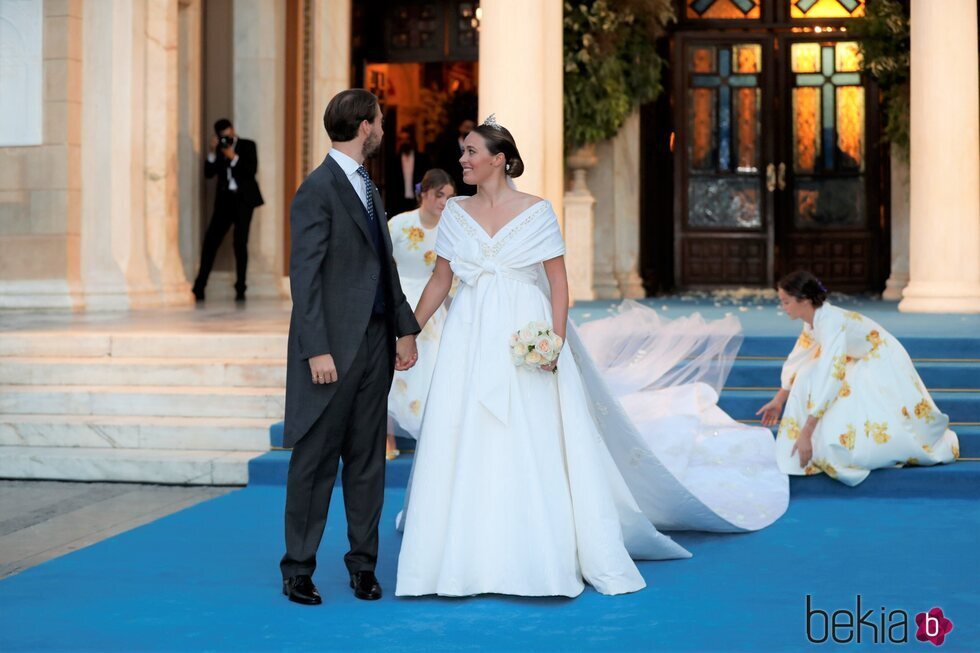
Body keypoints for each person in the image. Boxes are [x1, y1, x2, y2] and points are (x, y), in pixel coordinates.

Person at [395, 116, 788, 598]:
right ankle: (462, 558)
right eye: (463, 152)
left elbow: (559, 283)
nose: (463, 160)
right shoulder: (455, 212)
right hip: (468, 335)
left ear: (498, 159)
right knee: (466, 431)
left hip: (524, 330)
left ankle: (534, 556)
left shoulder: (537, 211)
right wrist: (407, 332)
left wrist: (554, 342)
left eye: (471, 152)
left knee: (529, 434)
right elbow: (440, 280)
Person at [280, 89, 420, 606]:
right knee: (315, 462)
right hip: (332, 350)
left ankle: (363, 566)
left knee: (368, 460)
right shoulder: (316, 189)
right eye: (380, 119)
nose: (383, 127)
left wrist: (405, 330)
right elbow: (306, 277)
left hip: (375, 344)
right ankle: (297, 569)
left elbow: (385, 269)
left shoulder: (369, 187)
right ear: (365, 126)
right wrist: (317, 349)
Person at [757, 271, 960, 486]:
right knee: (809, 373)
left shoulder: (830, 322)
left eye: (786, 302)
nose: (783, 307)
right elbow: (799, 357)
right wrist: (779, 400)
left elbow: (832, 376)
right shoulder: (813, 320)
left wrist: (807, 431)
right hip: (856, 356)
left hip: (880, 357)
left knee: (875, 411)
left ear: (804, 300)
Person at [385, 169, 456, 460]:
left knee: (434, 361)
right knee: (391, 366)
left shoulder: (450, 229)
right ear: (424, 193)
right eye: (440, 195)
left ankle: (430, 432)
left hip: (432, 304)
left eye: (449, 197)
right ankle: (386, 436)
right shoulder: (400, 224)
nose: (444, 202)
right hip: (399, 299)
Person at [192, 119, 264, 302]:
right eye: (223, 136)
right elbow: (208, 173)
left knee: (240, 243)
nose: (227, 138)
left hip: (244, 201)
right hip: (225, 201)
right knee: (210, 242)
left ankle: (241, 288)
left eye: (228, 134)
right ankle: (199, 286)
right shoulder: (218, 150)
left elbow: (251, 170)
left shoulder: (248, 145)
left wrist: (234, 157)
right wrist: (211, 152)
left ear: (233, 130)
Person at [385, 125, 430, 216]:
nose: (404, 142)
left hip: (417, 202)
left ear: (412, 141)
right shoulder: (393, 161)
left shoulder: (422, 159)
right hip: (399, 203)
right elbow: (391, 185)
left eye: (407, 139)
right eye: (401, 139)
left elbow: (425, 181)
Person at [435, 118, 476, 196]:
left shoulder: (477, 147)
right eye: (466, 128)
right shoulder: (448, 146)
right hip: (452, 190)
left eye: (471, 128)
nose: (468, 131)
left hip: (471, 191)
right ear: (460, 128)